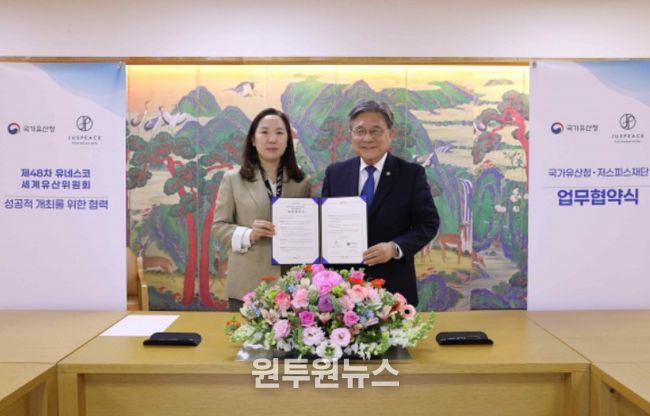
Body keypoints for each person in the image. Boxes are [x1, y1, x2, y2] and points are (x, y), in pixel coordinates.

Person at [321, 100, 439, 306]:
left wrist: (394, 248)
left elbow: (428, 223)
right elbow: (324, 224)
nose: (367, 138)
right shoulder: (336, 173)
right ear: (351, 135)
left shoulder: (411, 174)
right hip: (343, 290)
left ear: (390, 134)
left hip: (393, 289)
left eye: (376, 131)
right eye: (360, 131)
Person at [213, 108, 311, 311]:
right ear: (253, 139)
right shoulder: (233, 179)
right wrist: (249, 234)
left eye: (279, 133)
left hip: (291, 288)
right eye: (264, 132)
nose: (272, 139)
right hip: (247, 286)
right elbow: (219, 227)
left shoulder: (302, 182)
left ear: (287, 141)